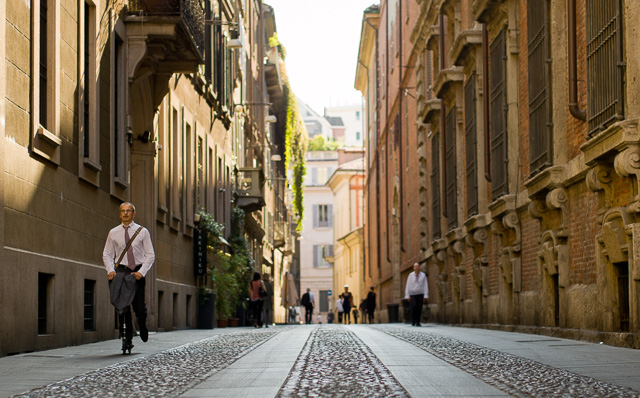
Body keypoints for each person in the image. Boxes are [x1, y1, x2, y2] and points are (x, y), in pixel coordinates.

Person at [103, 202, 155, 350]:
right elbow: (107, 254)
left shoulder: (142, 232)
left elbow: (150, 255)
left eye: (128, 211)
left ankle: (143, 326)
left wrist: (141, 272)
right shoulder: (113, 233)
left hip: (137, 271)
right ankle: (127, 337)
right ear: (120, 214)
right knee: (122, 306)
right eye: (123, 211)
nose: (125, 213)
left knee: (138, 307)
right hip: (121, 272)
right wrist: (110, 270)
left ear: (133, 214)